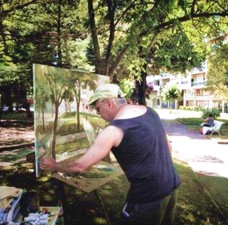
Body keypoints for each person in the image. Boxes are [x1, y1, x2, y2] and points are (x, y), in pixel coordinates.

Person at [40, 83, 180, 225]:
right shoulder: (150, 112)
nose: (98, 114)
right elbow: (168, 145)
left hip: (147, 198)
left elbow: (80, 166)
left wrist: (55, 165)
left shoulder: (114, 130)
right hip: (171, 186)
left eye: (98, 109)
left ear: (110, 103)